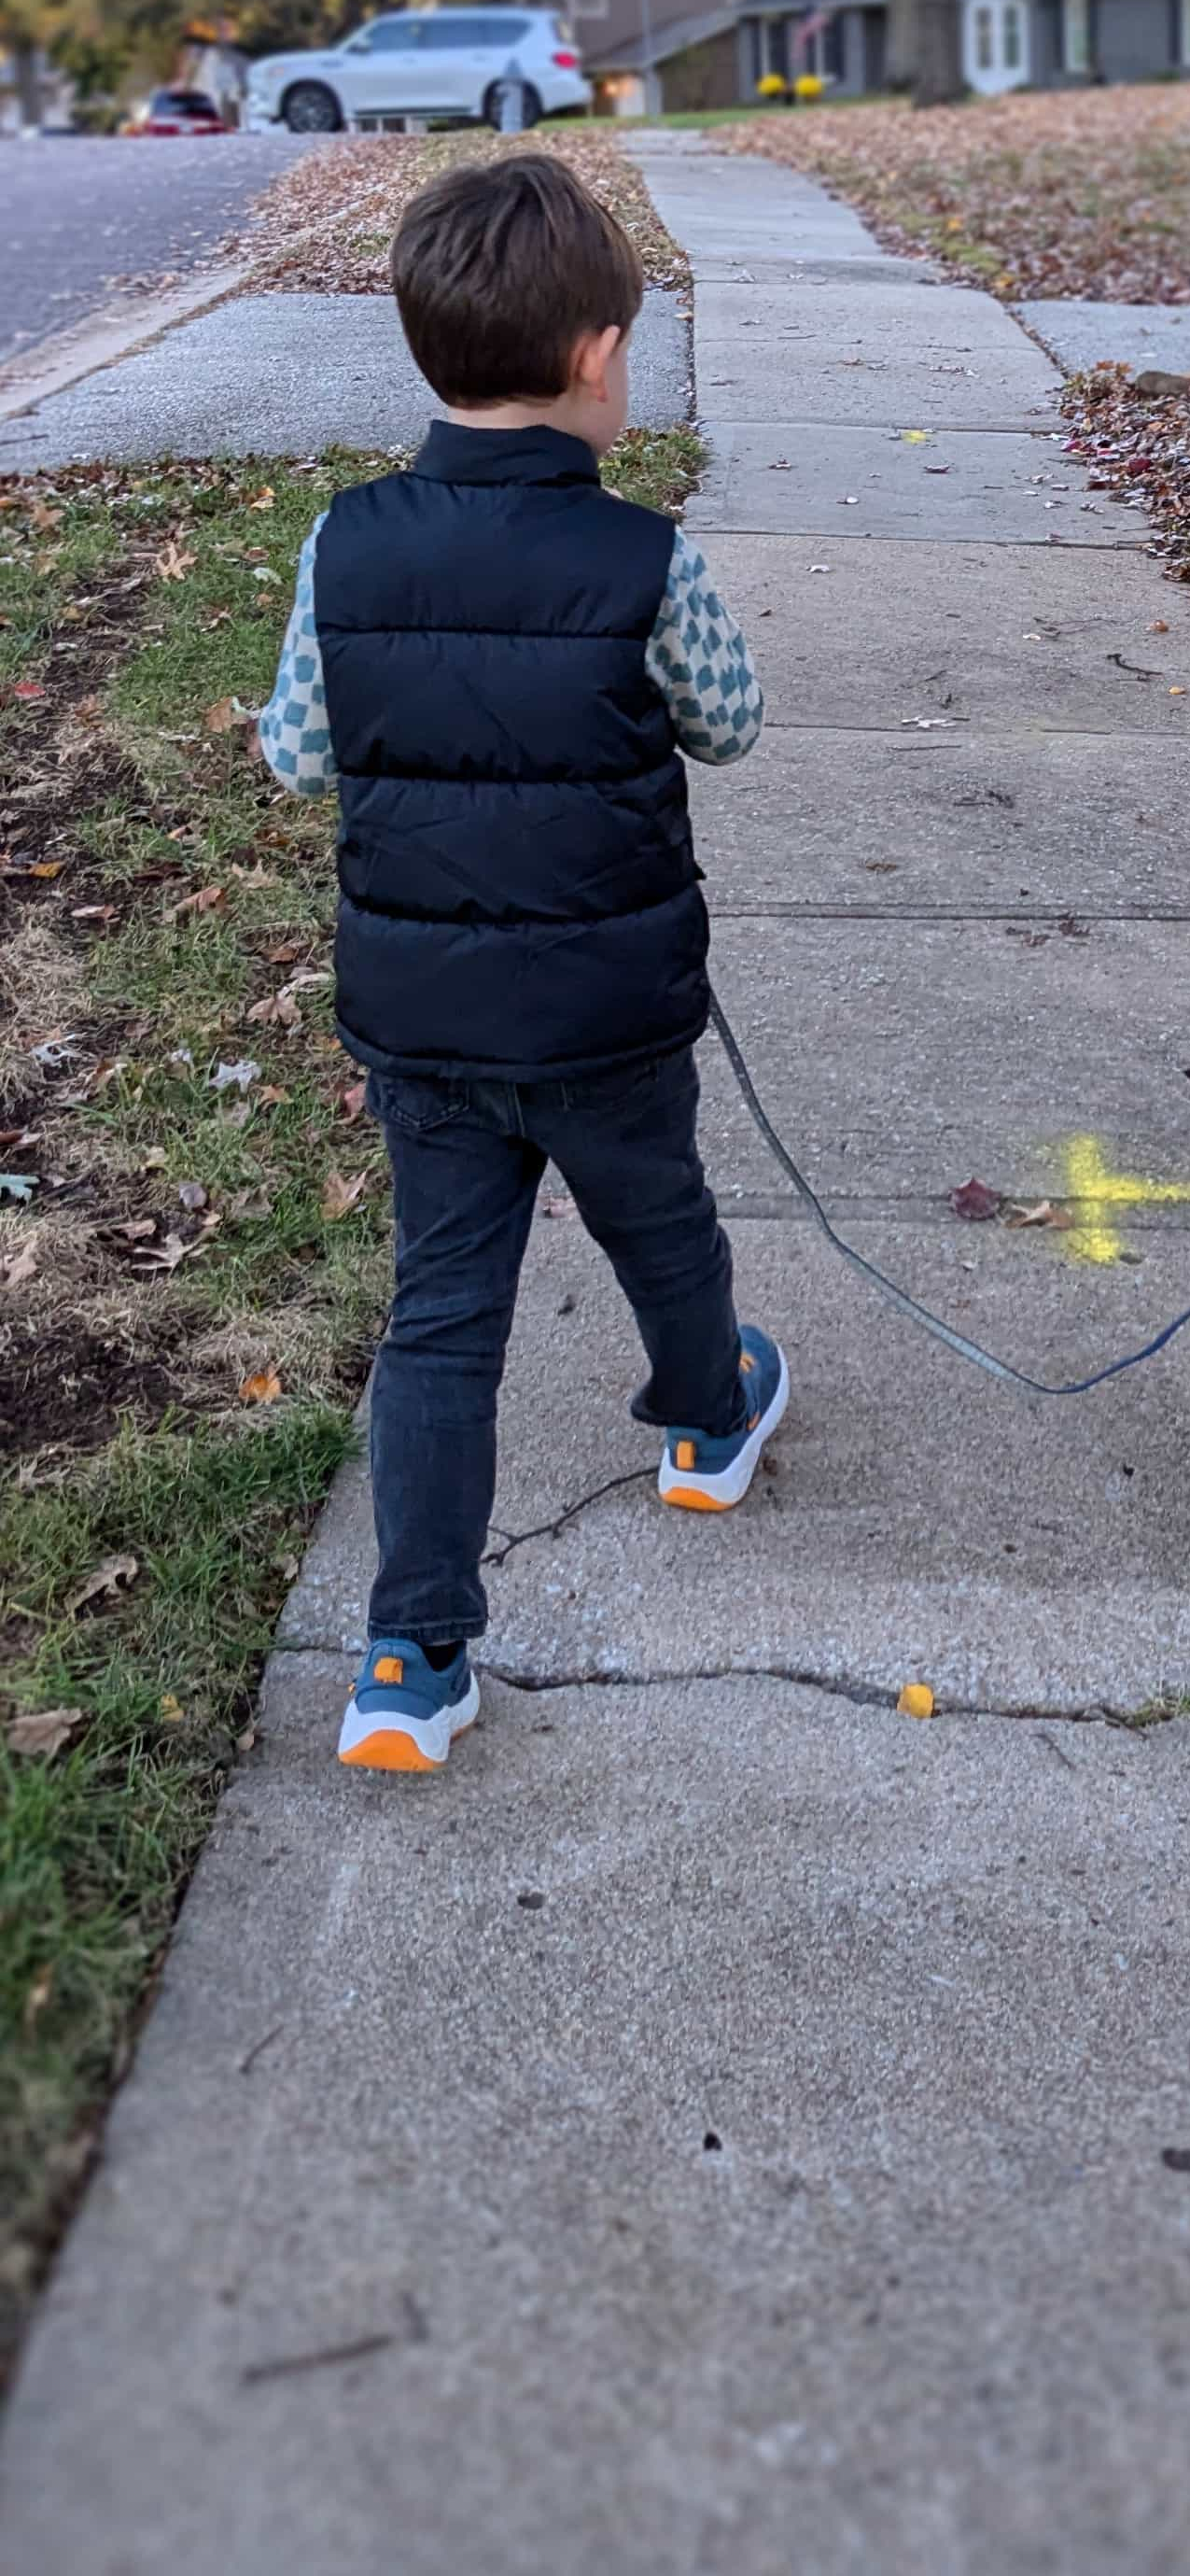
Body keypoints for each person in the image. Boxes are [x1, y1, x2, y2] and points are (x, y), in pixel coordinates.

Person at [258, 149, 782, 1773]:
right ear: (598, 357)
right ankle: (707, 1420)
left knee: (443, 1312)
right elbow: (732, 723)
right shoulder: (646, 561)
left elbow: (295, 750)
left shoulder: (344, 548)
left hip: (421, 1020)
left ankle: (410, 1655)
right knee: (658, 1215)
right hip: (610, 1011)